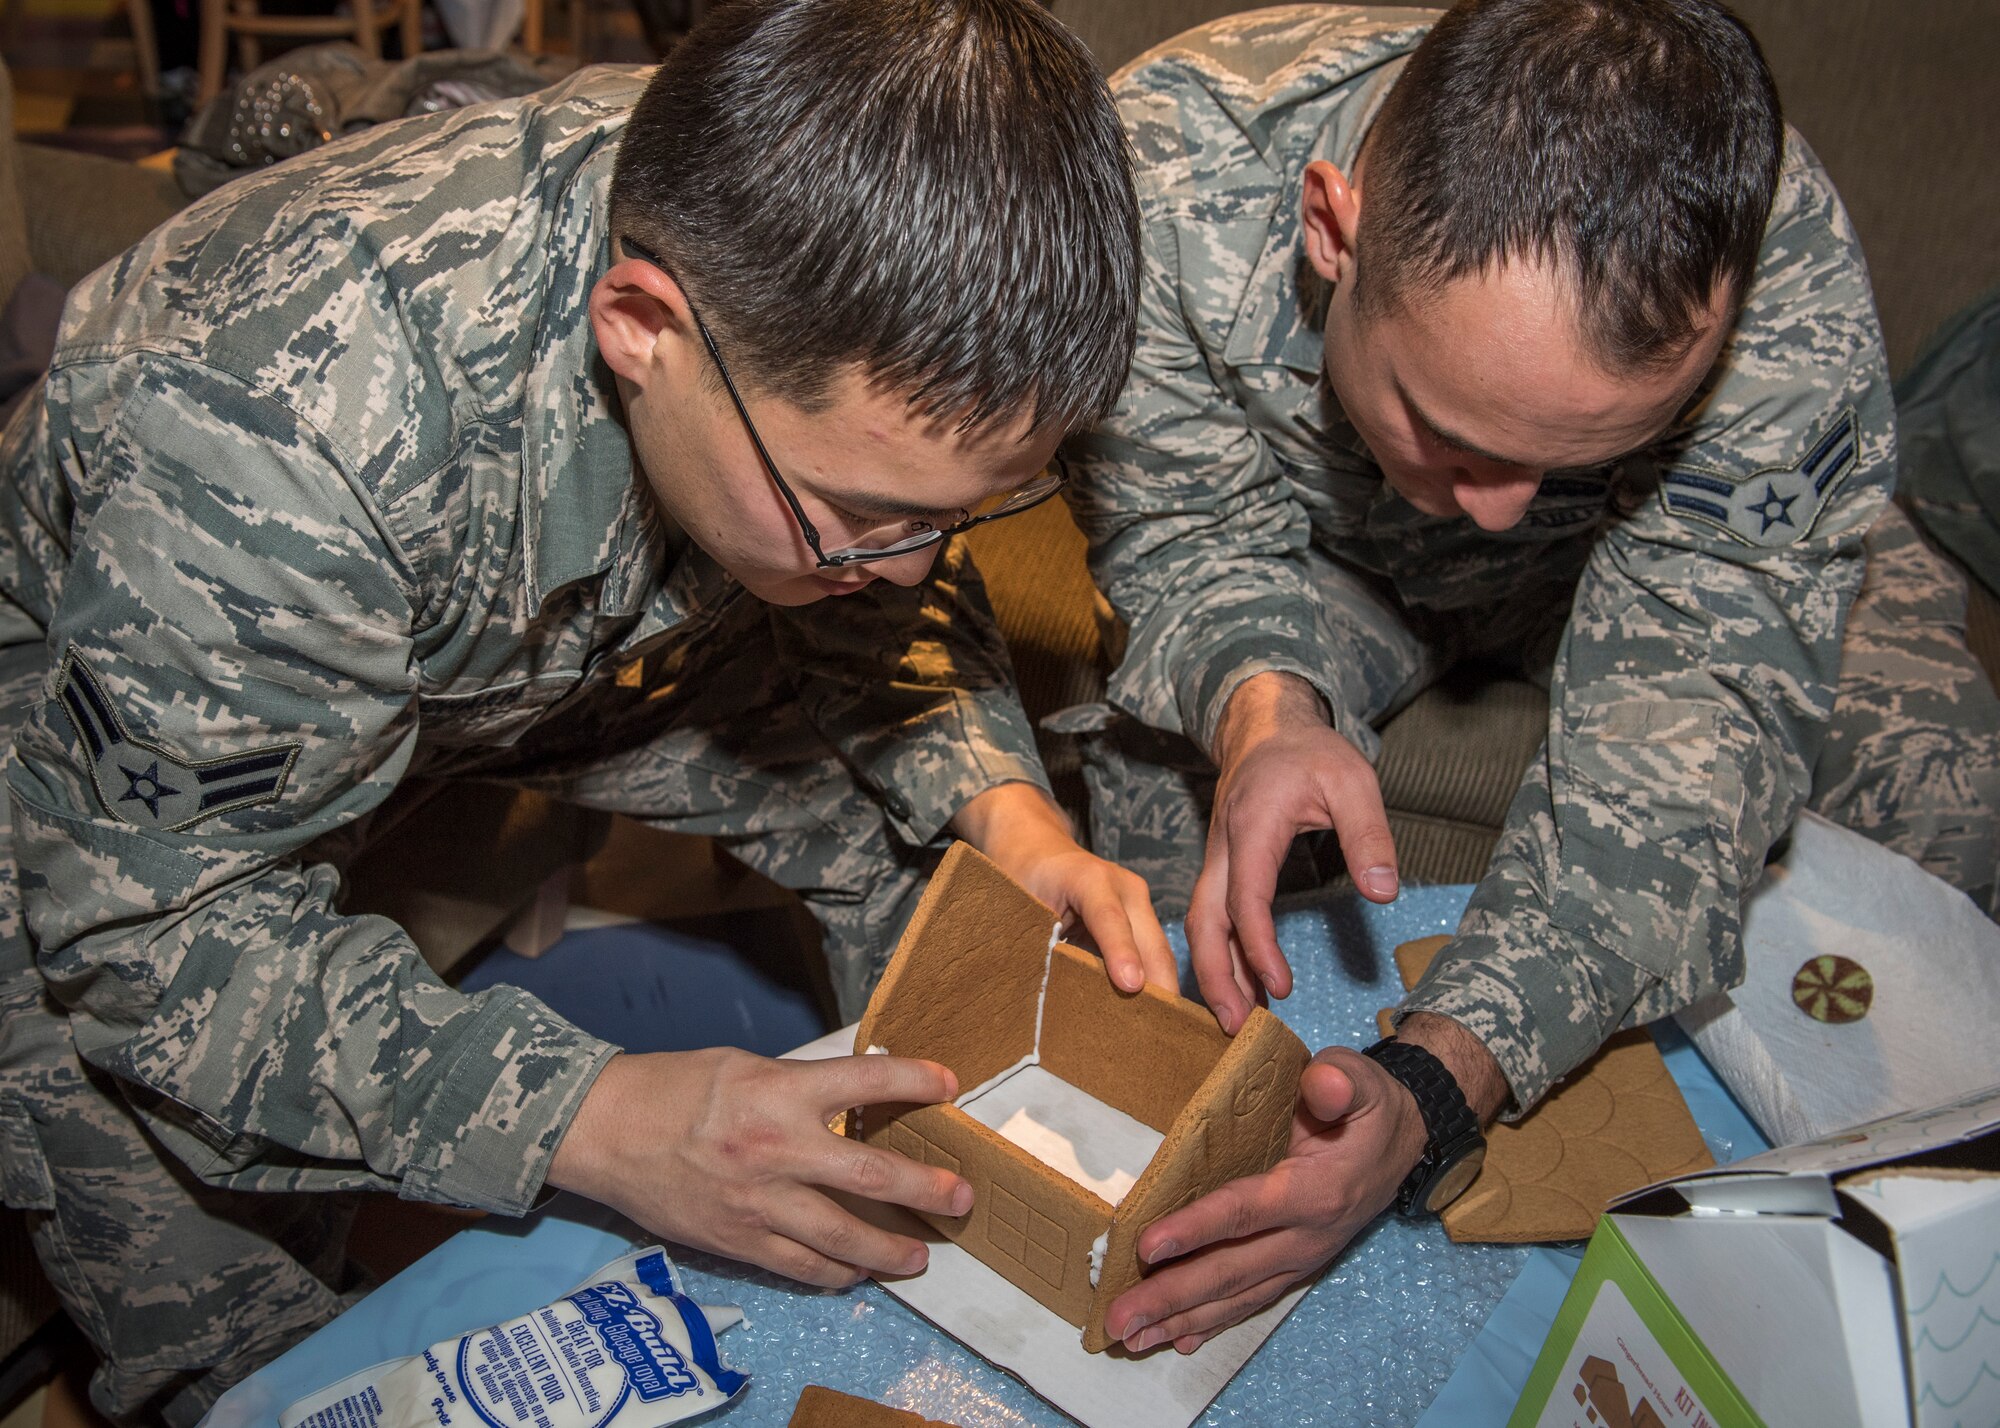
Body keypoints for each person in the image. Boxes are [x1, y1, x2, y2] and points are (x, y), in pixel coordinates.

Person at [0, 0, 1166, 1418]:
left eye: (966, 515)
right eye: (862, 513)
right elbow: (155, 945)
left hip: (530, 625)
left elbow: (891, 579)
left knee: (948, 873)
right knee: (243, 1319)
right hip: (116, 761)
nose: (918, 571)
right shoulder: (265, 421)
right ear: (642, 326)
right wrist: (601, 1120)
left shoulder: (775, 247)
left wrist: (1012, 809)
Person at [1064, 0, 2000, 1355]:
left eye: (1563, 450)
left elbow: (1679, 753)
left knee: (1954, 788)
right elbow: (1186, 531)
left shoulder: (1773, 271)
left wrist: (1437, 1088)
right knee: (1160, 815)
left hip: (1665, 559)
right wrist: (1266, 707)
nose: (1497, 509)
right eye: (1448, 431)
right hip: (1326, 549)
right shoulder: (1162, 176)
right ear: (1335, 229)